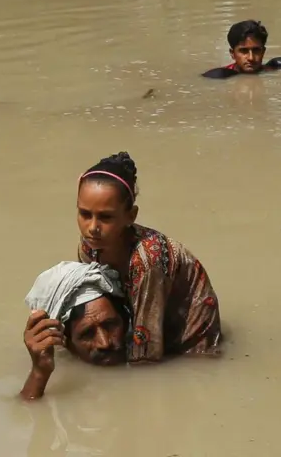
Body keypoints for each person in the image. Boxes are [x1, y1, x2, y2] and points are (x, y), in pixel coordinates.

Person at [76, 151, 222, 362]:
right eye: (85, 214)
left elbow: (146, 355)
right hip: (147, 319)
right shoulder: (90, 246)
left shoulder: (149, 260)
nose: (92, 228)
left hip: (191, 345)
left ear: (130, 216)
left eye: (105, 217)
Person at [21, 261, 129, 399]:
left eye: (110, 325)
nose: (104, 343)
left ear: (124, 320)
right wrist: (39, 373)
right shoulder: (60, 365)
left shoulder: (148, 347)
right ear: (66, 342)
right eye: (87, 334)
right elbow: (25, 410)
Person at [202, 20, 281, 79]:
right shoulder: (220, 76)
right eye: (243, 51)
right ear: (232, 54)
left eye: (256, 50)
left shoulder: (280, 67)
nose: (251, 57)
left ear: (263, 51)